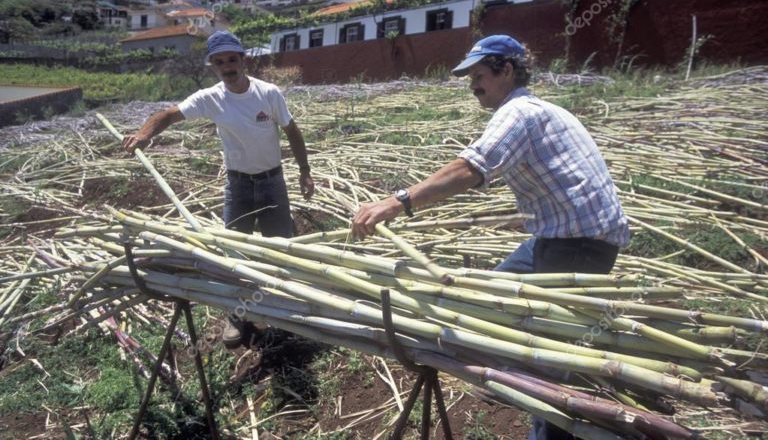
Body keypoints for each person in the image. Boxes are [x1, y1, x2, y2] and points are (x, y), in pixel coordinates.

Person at [351, 35, 630, 440]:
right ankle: (508, 375)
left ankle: (549, 415)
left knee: (548, 363)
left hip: (579, 245)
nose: (473, 86)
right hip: (559, 237)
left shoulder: (518, 112)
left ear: (507, 71)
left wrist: (398, 202)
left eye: (479, 75)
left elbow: (471, 168)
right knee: (487, 296)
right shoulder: (538, 108)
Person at [123, 30, 315, 348]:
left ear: (243, 60)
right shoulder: (210, 98)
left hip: (272, 182)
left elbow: (292, 130)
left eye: (232, 59)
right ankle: (237, 316)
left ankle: (285, 312)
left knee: (280, 248)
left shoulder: (268, 93)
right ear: (213, 65)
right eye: (220, 62)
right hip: (238, 186)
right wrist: (145, 133)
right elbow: (169, 114)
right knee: (233, 254)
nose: (227, 66)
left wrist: (305, 172)